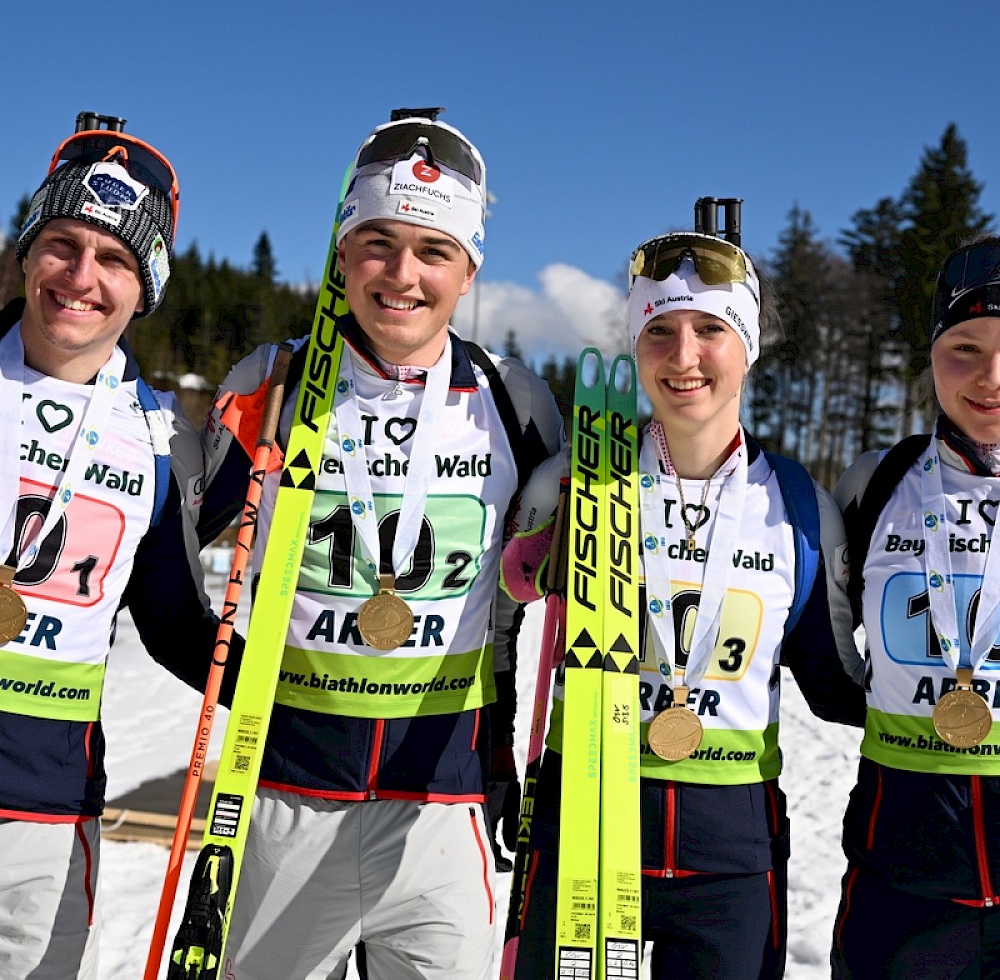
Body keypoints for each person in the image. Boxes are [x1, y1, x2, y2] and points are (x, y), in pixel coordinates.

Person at [196, 109, 566, 980]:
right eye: (377, 243)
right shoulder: (273, 381)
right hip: (288, 789)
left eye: (433, 251)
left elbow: (538, 589)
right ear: (341, 253)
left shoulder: (514, 401)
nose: (403, 274)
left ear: (469, 267)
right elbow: (165, 548)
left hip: (443, 800)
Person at [502, 221, 867, 979]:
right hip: (584, 825)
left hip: (731, 852)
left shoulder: (800, 506)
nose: (684, 355)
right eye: (659, 331)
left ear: (749, 346)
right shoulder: (575, 484)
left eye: (711, 329)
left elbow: (835, 686)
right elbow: (500, 615)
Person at [0, 112, 227, 979]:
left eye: (116, 260)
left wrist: (289, 687)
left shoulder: (158, 438)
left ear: (146, 288)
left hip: (47, 815)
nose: (81, 277)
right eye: (62, 243)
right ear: (28, 252)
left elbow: (172, 618)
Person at [831, 235, 1000, 978]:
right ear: (931, 352)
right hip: (902, 877)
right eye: (964, 345)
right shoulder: (878, 482)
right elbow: (821, 640)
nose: (990, 375)